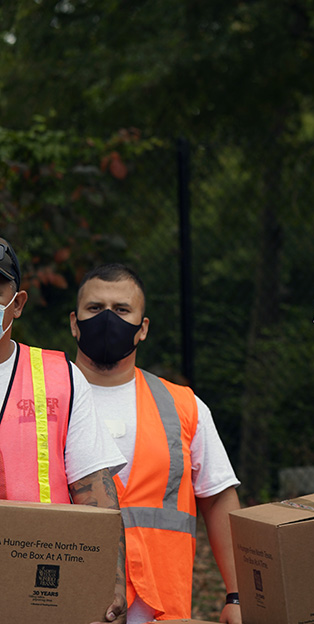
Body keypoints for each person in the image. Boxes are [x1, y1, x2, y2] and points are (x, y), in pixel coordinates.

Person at [69, 263, 242, 624]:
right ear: (74, 322)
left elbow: (218, 497)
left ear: (142, 328)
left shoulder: (183, 405)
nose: (107, 319)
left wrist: (238, 595)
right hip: (70, 604)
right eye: (95, 308)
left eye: (121, 310)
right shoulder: (45, 399)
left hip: (164, 610)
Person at [0, 238, 128, 624]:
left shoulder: (59, 379)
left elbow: (97, 498)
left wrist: (111, 588)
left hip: (39, 598)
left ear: (17, 303)